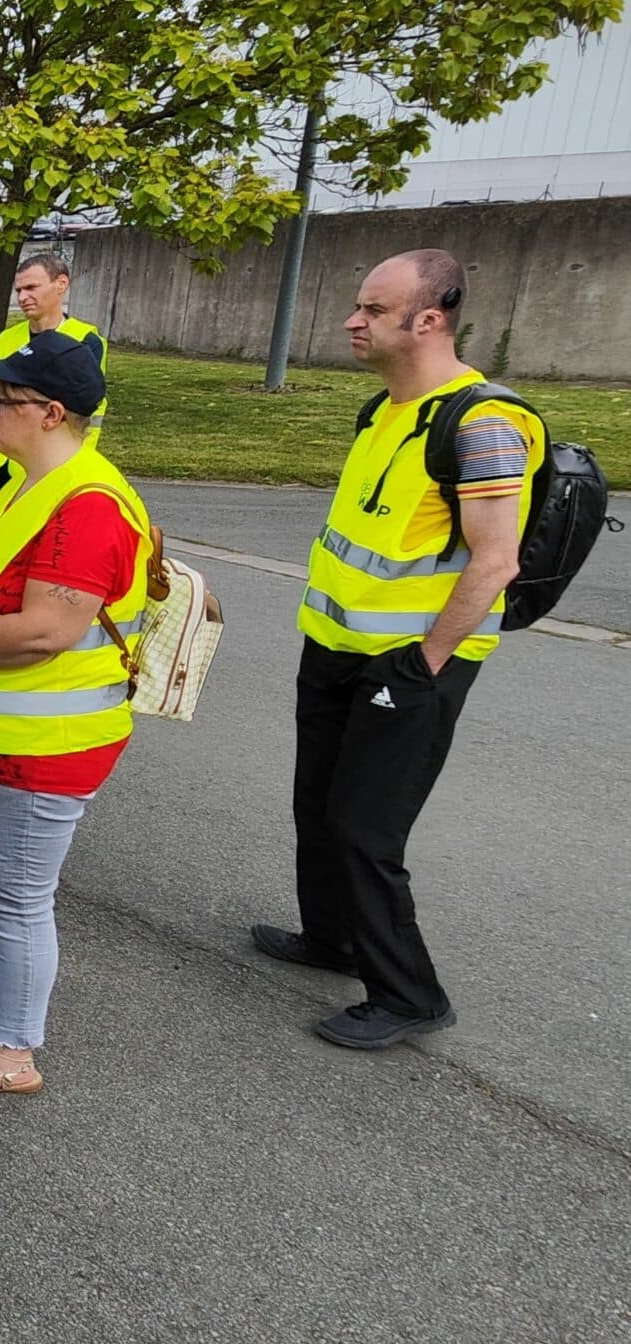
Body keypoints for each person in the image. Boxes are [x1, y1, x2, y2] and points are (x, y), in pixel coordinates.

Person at [255, 249, 541, 1050]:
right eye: (359, 306)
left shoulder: (482, 423)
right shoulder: (384, 410)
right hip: (336, 646)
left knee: (364, 830)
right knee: (318, 807)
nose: (353, 321)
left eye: (374, 310)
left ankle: (410, 993)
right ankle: (332, 939)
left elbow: (496, 561)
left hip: (411, 664)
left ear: (430, 319)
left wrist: (426, 663)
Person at [0, 331, 149, 1096]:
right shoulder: (31, 482)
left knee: (18, 898)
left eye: (3, 400)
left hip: (43, 742)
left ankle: (11, 1051)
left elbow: (46, 629)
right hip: (2, 732)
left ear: (51, 413)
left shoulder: (87, 507)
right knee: (2, 888)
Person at [0, 253, 110, 508]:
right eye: (18, 290)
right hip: (0, 471)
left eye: (31, 288)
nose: (22, 297)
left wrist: (1, 402)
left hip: (57, 469)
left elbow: (70, 405)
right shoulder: (4, 340)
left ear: (61, 284)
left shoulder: (85, 340)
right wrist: (20, 404)